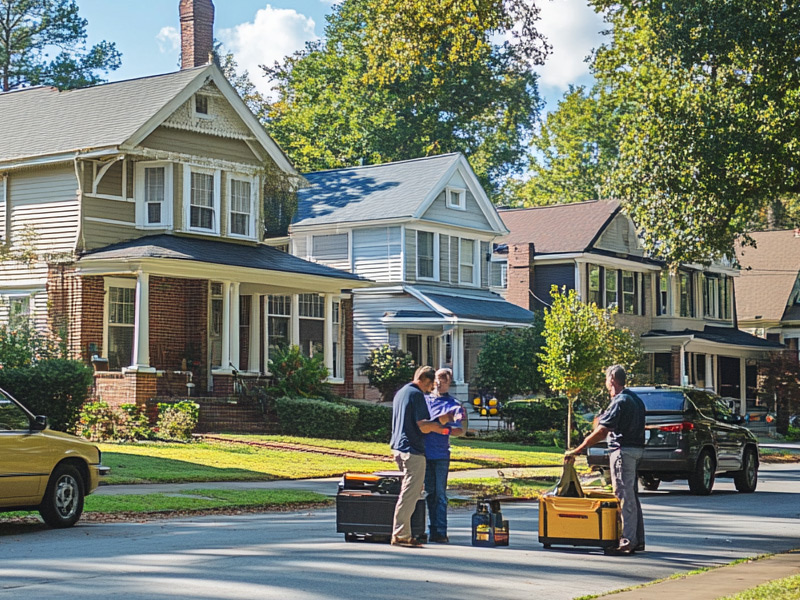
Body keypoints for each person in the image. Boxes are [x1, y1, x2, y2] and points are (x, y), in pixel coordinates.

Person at [565, 364, 646, 554]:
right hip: (636, 450)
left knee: (624, 495)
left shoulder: (620, 401)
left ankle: (627, 541)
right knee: (631, 494)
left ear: (612, 380)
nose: (605, 383)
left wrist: (580, 448)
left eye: (606, 379)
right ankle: (638, 539)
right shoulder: (636, 399)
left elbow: (602, 431)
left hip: (622, 451)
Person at [390, 365, 450, 548]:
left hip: (398, 448)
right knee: (410, 493)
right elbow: (423, 425)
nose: (430, 390)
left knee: (410, 491)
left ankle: (405, 533)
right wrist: (443, 426)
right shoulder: (416, 394)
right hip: (412, 450)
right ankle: (400, 535)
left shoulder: (401, 392)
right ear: (425, 380)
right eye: (430, 386)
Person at [423, 368, 465, 543]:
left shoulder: (453, 404)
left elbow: (460, 430)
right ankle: (427, 528)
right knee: (428, 492)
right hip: (423, 453)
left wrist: (443, 429)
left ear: (449, 383)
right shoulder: (424, 401)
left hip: (440, 454)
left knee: (440, 494)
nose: (439, 384)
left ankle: (440, 531)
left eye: (444, 381)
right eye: (437, 380)